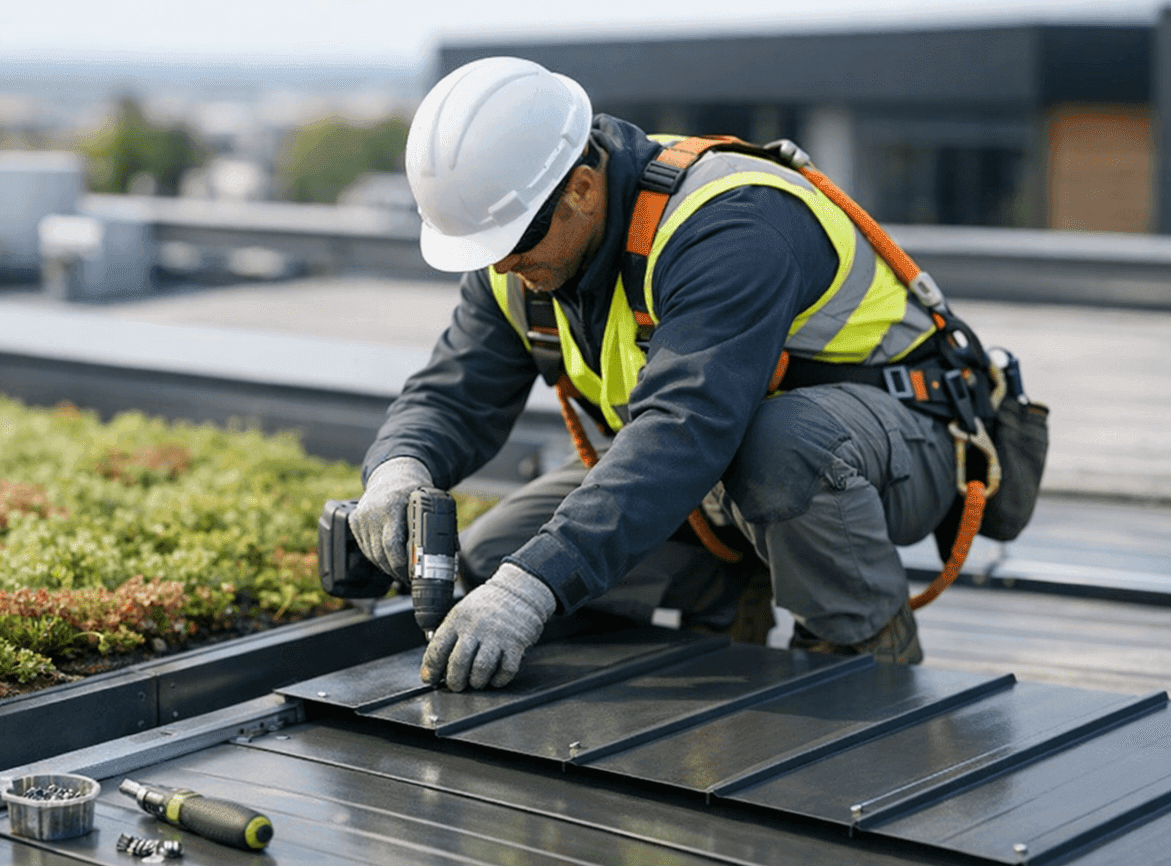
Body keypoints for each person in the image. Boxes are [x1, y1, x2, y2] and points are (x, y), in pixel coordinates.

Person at [351, 56, 983, 692]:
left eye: (515, 241)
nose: (505, 264)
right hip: (720, 467)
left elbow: (685, 428)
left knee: (779, 445)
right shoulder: (522, 255)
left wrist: (534, 587)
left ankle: (864, 645)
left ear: (582, 189)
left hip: (890, 449)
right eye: (490, 250)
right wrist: (399, 468)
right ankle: (732, 594)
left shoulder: (732, 224)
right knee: (495, 559)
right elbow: (455, 394)